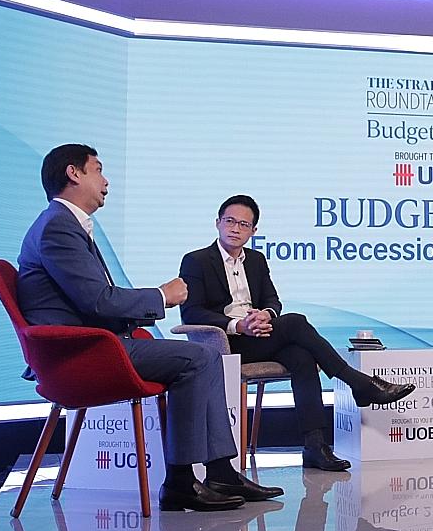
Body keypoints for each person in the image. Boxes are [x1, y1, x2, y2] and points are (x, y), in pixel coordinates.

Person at [15, 144, 283, 512]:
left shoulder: (63, 225)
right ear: (73, 173)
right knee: (198, 357)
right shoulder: (58, 228)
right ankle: (181, 481)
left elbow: (93, 301)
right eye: (98, 170)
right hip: (81, 352)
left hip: (95, 342)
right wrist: (162, 297)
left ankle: (218, 472)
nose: (106, 181)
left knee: (202, 355)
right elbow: (98, 301)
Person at [178, 195, 415, 472]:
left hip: (261, 335)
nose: (235, 228)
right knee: (296, 323)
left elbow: (272, 300)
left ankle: (315, 445)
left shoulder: (255, 260)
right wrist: (239, 325)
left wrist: (266, 314)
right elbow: (192, 313)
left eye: (244, 224)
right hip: (228, 342)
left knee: (301, 355)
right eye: (230, 221)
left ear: (254, 231)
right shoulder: (196, 261)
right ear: (217, 223)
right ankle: (359, 383)